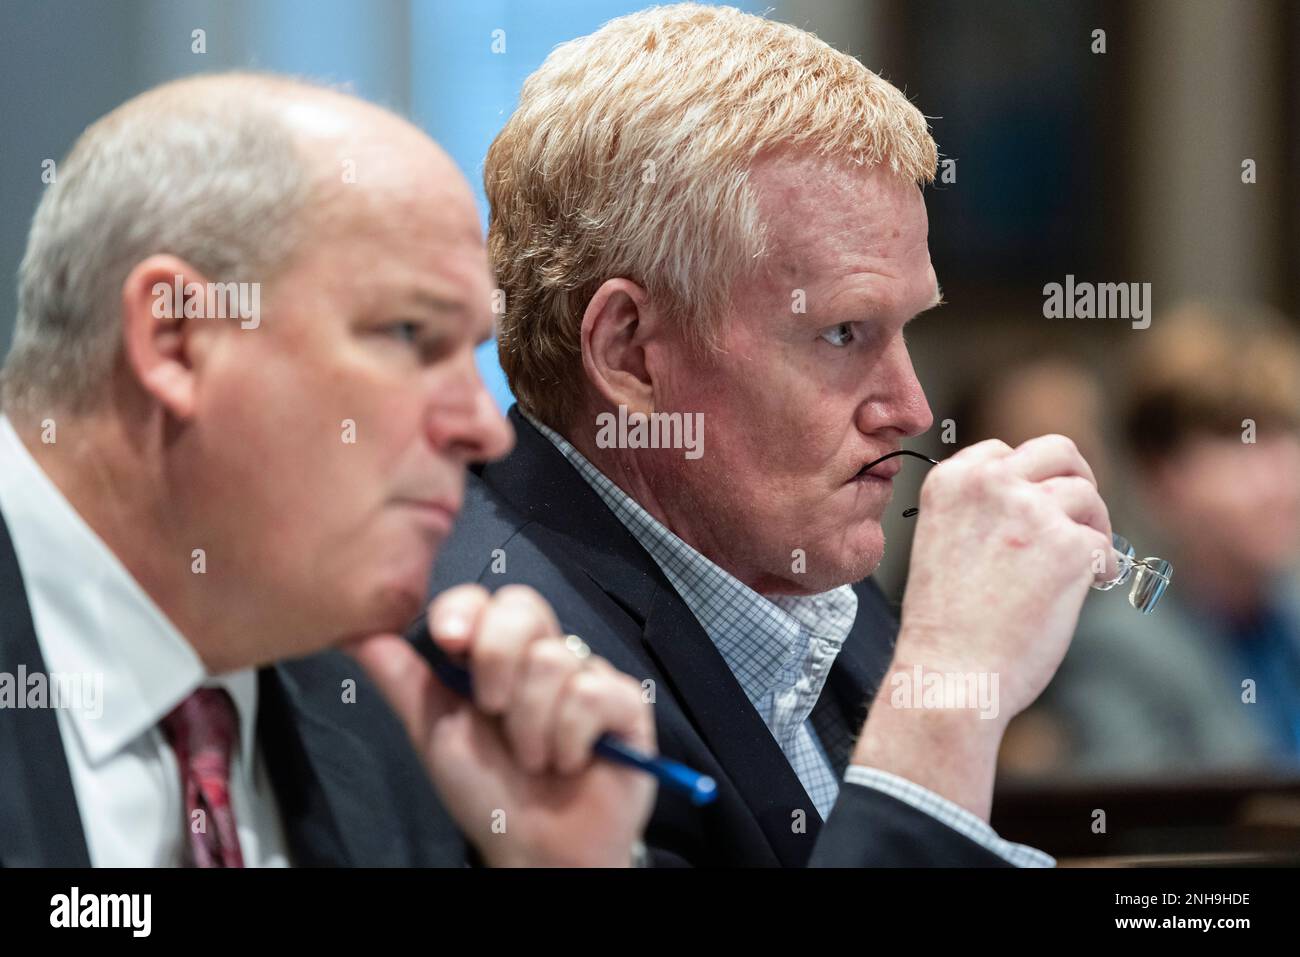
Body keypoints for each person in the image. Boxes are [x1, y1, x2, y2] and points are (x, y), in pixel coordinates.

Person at [427, 3, 1115, 866]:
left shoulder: (803, 573)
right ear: (630, 353)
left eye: (907, 331)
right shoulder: (497, 668)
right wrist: (945, 691)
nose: (911, 406)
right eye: (842, 333)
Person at [0, 72, 655, 867]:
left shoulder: (414, 734)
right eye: (411, 333)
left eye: (470, 354)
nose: (486, 430)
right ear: (176, 337)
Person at [1025, 303, 1300, 777]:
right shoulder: (1117, 643)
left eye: (1288, 436)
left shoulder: (1287, 606)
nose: (1280, 478)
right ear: (1161, 474)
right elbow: (1150, 840)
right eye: (1242, 443)